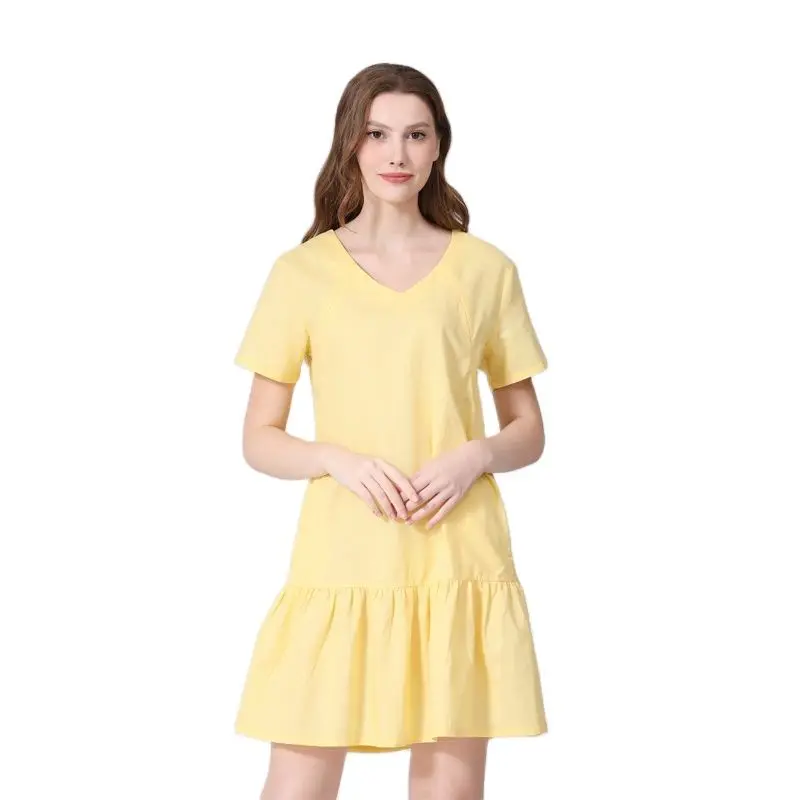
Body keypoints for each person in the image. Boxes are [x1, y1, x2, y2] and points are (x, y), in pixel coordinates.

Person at [232, 63, 549, 800]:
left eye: (415, 134)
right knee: (297, 787)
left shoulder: (486, 270)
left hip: (456, 556)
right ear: (351, 143)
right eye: (377, 134)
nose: (396, 153)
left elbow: (528, 429)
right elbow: (259, 437)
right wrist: (334, 459)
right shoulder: (302, 273)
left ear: (439, 146)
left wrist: (476, 455)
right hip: (343, 557)